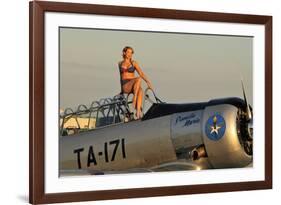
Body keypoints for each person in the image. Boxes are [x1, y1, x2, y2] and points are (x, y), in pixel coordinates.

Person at [118, 46, 153, 119]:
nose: (130, 54)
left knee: (141, 90)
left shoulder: (134, 63)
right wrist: (121, 90)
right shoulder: (120, 63)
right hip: (126, 85)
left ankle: (138, 113)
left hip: (134, 85)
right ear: (124, 53)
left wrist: (148, 82)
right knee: (138, 79)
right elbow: (120, 77)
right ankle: (134, 99)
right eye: (128, 52)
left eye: (131, 53)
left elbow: (141, 73)